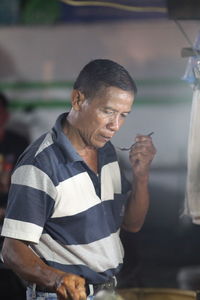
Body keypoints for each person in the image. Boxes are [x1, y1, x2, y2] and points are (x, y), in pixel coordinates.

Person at [1, 59, 156, 300]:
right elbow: (12, 250)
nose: (115, 125)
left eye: (123, 115)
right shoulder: (40, 165)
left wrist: (141, 176)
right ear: (78, 100)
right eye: (108, 111)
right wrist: (56, 278)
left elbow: (132, 224)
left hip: (106, 292)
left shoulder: (107, 152)